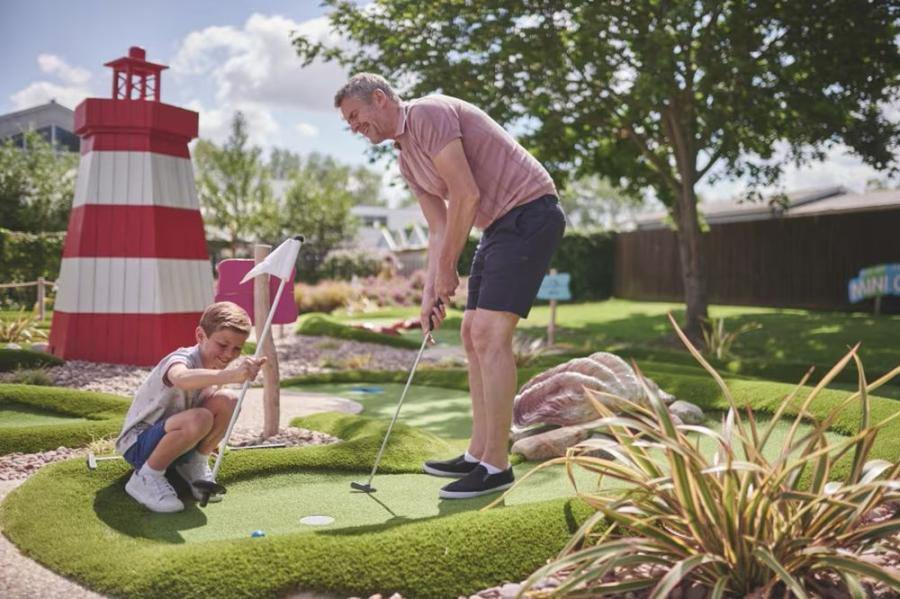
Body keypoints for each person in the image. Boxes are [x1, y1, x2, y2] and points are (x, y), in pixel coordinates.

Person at [334, 74, 566, 499]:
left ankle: (496, 465)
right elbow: (439, 228)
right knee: (469, 333)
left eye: (355, 116)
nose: (353, 127)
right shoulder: (406, 161)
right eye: (347, 122)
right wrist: (429, 294)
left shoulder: (427, 114)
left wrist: (447, 268)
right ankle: (478, 453)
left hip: (531, 213)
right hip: (498, 226)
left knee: (490, 334)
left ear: (380, 99)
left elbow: (466, 194)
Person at [115, 301, 266, 512]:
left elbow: (213, 405)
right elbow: (182, 379)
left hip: (178, 439)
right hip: (139, 445)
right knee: (200, 418)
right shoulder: (180, 359)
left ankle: (194, 464)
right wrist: (231, 375)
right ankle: (145, 477)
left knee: (229, 400)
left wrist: (209, 442)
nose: (229, 354)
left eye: (237, 349)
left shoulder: (215, 367)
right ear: (200, 336)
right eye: (223, 345)